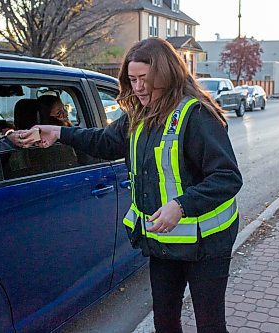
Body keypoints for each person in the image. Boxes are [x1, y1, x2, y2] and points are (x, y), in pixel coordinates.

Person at [19, 37, 242, 333]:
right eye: (132, 79)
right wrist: (58, 132)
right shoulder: (138, 114)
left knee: (210, 325)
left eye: (145, 79)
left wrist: (180, 206)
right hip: (164, 242)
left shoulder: (196, 115)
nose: (138, 87)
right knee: (164, 321)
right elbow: (105, 142)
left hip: (206, 243)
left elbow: (227, 177)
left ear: (166, 75)